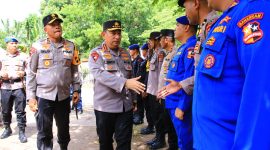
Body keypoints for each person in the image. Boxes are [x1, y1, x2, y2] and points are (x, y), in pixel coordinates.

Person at [164, 0, 270, 149]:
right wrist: (183, 84)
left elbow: (262, 94)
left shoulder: (253, 10)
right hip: (206, 141)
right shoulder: (223, 22)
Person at [26, 13, 80, 150]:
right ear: (45, 29)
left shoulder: (71, 46)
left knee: (64, 129)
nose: (57, 27)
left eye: (59, 24)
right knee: (44, 132)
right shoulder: (37, 47)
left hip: (63, 95)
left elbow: (75, 70)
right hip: (44, 96)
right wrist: (31, 97)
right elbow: (31, 73)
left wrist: (77, 89)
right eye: (53, 24)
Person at [88, 20, 145, 150]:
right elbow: (100, 74)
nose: (117, 36)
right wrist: (124, 82)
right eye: (113, 33)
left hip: (125, 107)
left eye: (119, 33)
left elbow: (130, 77)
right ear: (103, 34)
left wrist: (134, 99)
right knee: (106, 144)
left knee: (124, 144)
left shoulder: (125, 53)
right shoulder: (96, 54)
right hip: (105, 107)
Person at [166, 16, 197, 150]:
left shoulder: (191, 47)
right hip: (173, 101)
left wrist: (182, 106)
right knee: (181, 140)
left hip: (180, 103)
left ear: (186, 27)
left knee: (186, 142)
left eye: (177, 25)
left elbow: (188, 79)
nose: (175, 28)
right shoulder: (183, 47)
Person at [0, 37, 27, 143]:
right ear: (7, 44)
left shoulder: (24, 57)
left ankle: (21, 131)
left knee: (20, 111)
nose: (14, 45)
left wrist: (24, 73)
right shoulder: (1, 56)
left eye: (16, 43)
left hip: (19, 86)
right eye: (12, 43)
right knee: (5, 110)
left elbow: (31, 70)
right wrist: (1, 75)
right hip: (5, 87)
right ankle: (7, 129)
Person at [157, 29, 179, 150]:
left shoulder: (176, 53)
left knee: (172, 126)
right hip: (165, 95)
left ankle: (173, 146)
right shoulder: (168, 54)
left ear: (166, 39)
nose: (159, 42)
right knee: (168, 125)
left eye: (161, 39)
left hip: (172, 96)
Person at [146, 31, 167, 149]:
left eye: (151, 40)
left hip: (157, 91)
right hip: (151, 90)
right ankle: (157, 137)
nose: (149, 42)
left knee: (159, 117)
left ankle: (161, 140)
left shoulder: (161, 54)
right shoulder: (154, 53)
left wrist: (160, 91)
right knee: (155, 116)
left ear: (156, 40)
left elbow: (161, 74)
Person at [140, 43, 155, 135]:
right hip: (144, 86)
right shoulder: (147, 59)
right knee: (148, 108)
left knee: (150, 109)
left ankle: (151, 127)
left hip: (147, 88)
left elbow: (148, 75)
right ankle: (150, 126)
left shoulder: (150, 59)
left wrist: (145, 89)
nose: (144, 52)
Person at [128, 44, 144, 125]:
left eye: (130, 50)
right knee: (134, 100)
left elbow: (139, 74)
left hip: (138, 84)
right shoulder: (133, 60)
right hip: (132, 84)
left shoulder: (139, 60)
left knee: (139, 101)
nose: (129, 51)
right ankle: (135, 116)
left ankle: (139, 118)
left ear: (135, 50)